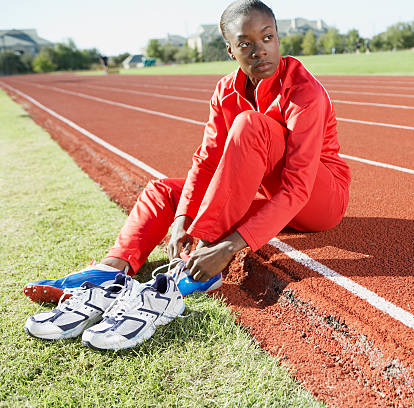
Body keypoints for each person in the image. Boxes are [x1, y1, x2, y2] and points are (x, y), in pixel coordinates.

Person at [23, 0, 351, 305]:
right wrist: (182, 217)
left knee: (250, 125)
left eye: (267, 38)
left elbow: (297, 187)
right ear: (231, 50)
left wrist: (225, 246)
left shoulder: (305, 92)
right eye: (246, 43)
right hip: (271, 193)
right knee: (164, 192)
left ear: (278, 38)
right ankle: (112, 267)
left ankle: (203, 266)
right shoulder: (226, 90)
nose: (259, 51)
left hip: (318, 199)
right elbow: (208, 161)